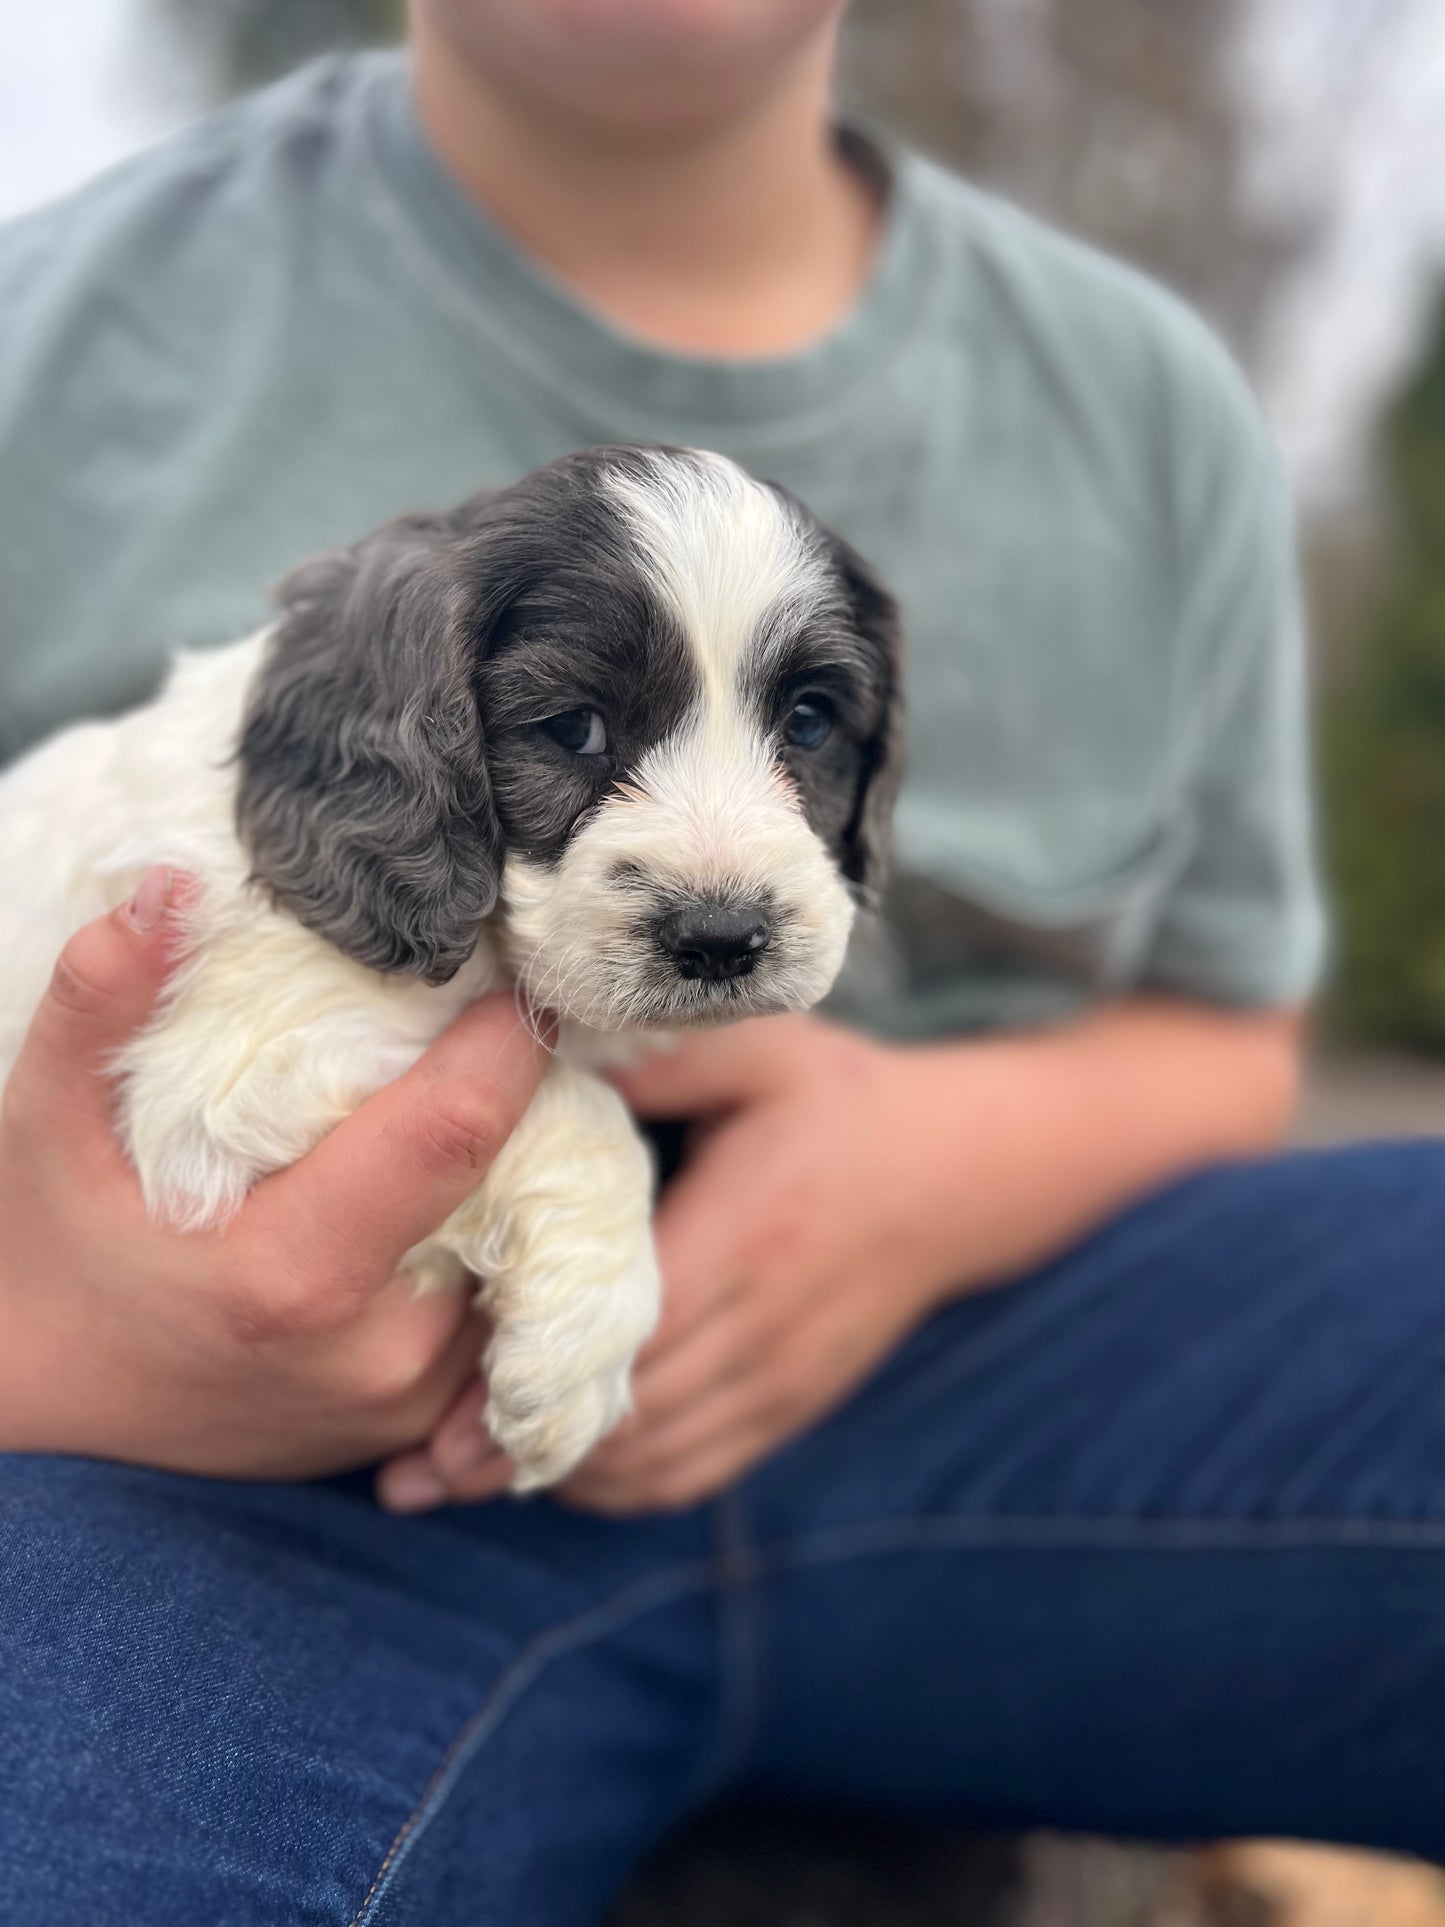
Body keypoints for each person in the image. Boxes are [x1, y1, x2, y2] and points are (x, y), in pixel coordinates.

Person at [0, 4, 1441, 1922]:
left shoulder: (1140, 394)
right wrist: (43, 1349)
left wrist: (937, 1167)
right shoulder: (57, 319)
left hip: (964, 1364)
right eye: (578, 732)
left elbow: (1231, 1024)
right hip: (219, 1479)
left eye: (806, 734)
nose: (728, 867)